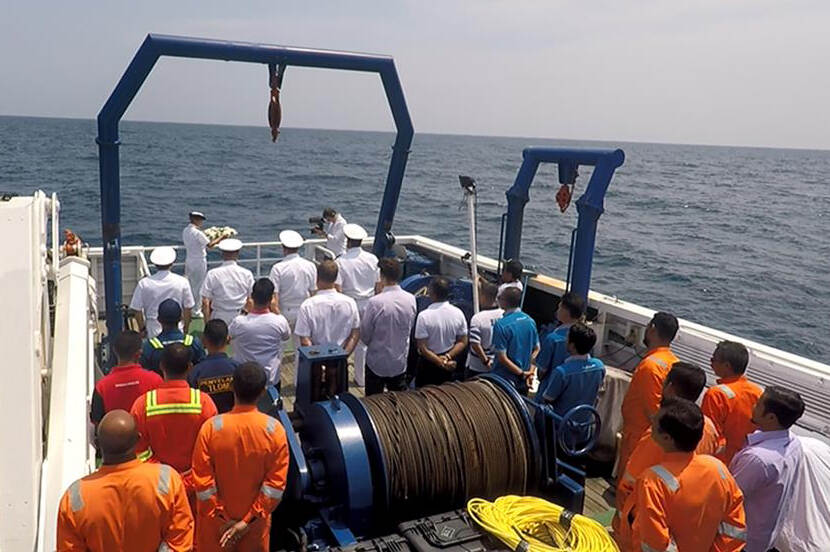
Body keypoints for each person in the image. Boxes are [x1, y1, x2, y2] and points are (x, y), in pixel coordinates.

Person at [613, 362, 722, 549]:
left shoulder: (658, 435)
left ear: (670, 387)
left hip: (648, 516)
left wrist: (622, 521)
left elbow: (629, 482)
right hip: (687, 516)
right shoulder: (710, 427)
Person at [57, 410, 193, 551]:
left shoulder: (74, 497)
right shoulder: (166, 479)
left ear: (97, 443)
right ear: (138, 439)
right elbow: (180, 540)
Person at [191, 362, 289, 552]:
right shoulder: (274, 430)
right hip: (254, 528)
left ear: (232, 387)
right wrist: (246, 522)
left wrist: (223, 518)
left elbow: (203, 484)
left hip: (216, 529)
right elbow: (275, 486)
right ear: (262, 392)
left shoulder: (211, 428)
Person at [626, 399, 746, 552]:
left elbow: (653, 543)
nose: (651, 427)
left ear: (667, 438)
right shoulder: (718, 470)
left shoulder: (653, 481)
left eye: (654, 426)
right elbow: (735, 529)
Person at [131, 343, 218, 515]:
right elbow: (213, 449)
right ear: (190, 367)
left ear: (161, 366)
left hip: (157, 489)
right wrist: (188, 479)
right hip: (196, 489)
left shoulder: (143, 404)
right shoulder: (204, 402)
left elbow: (138, 452)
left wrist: (165, 476)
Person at [730, 386, 805, 552]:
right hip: (765, 538)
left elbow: (728, 498)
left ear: (771, 417)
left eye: (758, 404)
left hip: (742, 543)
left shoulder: (758, 459)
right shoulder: (794, 443)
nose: (753, 406)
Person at [618, 311, 679, 476]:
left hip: (639, 436)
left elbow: (653, 411)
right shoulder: (674, 362)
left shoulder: (650, 366)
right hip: (652, 437)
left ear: (652, 329)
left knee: (628, 480)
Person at [295, 260, 361, 395]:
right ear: (336, 278)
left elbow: (304, 339)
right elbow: (355, 334)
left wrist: (320, 363)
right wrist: (343, 356)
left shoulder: (307, 305)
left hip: (315, 365)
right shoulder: (350, 303)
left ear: (317, 278)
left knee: (313, 399)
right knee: (340, 400)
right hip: (339, 362)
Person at [360, 257, 417, 394]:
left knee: (373, 403)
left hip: (376, 361)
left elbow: (365, 335)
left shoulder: (375, 302)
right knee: (398, 401)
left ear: (381, 276)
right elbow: (411, 325)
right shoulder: (411, 299)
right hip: (399, 362)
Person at [702, 340, 764, 466]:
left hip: (722, 461)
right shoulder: (758, 391)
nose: (711, 363)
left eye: (714, 360)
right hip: (748, 460)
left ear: (727, 366)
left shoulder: (716, 394)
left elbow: (708, 434)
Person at [335, 223, 379, 386]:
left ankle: (339, 376)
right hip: (369, 302)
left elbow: (338, 288)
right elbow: (378, 284)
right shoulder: (372, 259)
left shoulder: (341, 262)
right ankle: (361, 379)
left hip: (349, 304)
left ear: (347, 241)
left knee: (343, 340)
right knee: (364, 343)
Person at [90, 330, 162, 426]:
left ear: (115, 351)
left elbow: (96, 420)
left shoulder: (102, 387)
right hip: (148, 439)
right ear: (139, 354)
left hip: (115, 439)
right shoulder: (155, 381)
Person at [229, 278, 291, 389]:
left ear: (252, 296)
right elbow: (286, 336)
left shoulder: (239, 322)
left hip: (244, 379)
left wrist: (244, 310)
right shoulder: (279, 321)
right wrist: (276, 309)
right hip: (270, 379)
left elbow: (229, 335)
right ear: (271, 298)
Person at [129, 246, 195, 337]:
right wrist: (186, 327)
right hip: (176, 328)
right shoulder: (182, 282)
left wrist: (142, 328)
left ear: (155, 264)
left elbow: (136, 309)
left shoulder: (144, 283)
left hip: (153, 328)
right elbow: (188, 308)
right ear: (172, 263)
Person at [414, 277, 468, 387]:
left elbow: (422, 348)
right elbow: (463, 341)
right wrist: (447, 357)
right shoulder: (458, 313)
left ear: (432, 293)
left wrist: (441, 362)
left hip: (428, 365)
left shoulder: (424, 316)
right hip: (449, 364)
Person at [540, 322, 605, 415]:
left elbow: (547, 399)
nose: (566, 340)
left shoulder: (562, 372)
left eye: (567, 338)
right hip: (584, 424)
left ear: (572, 346)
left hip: (560, 425)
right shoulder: (599, 366)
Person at [536, 291, 585, 400]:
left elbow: (541, 371)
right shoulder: (585, 336)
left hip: (549, 391)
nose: (557, 311)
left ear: (566, 311)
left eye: (559, 308)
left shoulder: (553, 338)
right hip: (572, 393)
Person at [268, 229, 317, 338]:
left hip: (285, 312)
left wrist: (278, 317)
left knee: (279, 347)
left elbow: (274, 300)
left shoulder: (277, 268)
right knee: (302, 348)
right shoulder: (310, 266)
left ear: (283, 247)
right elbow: (314, 293)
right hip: (305, 310)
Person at [491, 287, 540, 395]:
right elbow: (536, 349)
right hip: (524, 380)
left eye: (499, 297)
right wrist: (530, 372)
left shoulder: (501, 325)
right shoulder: (530, 321)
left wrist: (522, 373)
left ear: (505, 301)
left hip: (504, 380)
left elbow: (502, 358)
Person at [140, 298, 206, 376]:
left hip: (159, 387)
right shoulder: (193, 343)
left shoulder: (149, 347)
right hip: (188, 387)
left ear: (158, 319)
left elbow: (144, 374)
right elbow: (202, 370)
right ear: (181, 318)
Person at [189, 319, 239, 413]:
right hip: (231, 422)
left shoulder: (195, 372)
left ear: (203, 341)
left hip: (207, 423)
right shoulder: (238, 369)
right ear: (228, 339)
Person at [201, 238, 255, 324]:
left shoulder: (212, 274)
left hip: (218, 317)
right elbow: (251, 299)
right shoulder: (247, 274)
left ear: (222, 253)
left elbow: (205, 302)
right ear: (237, 253)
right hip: (240, 316)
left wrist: (207, 324)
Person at [182, 211, 223, 318]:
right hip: (199, 261)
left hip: (189, 260)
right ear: (195, 220)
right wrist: (222, 237)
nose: (201, 222)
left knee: (190, 284)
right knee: (198, 285)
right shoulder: (198, 233)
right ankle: (196, 310)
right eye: (200, 220)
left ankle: (188, 307)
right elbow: (210, 245)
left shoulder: (186, 230)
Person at [465, 281, 503, 379]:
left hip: (477, 366)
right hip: (497, 364)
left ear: (484, 296)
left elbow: (475, 344)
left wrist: (485, 361)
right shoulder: (504, 315)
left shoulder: (478, 318)